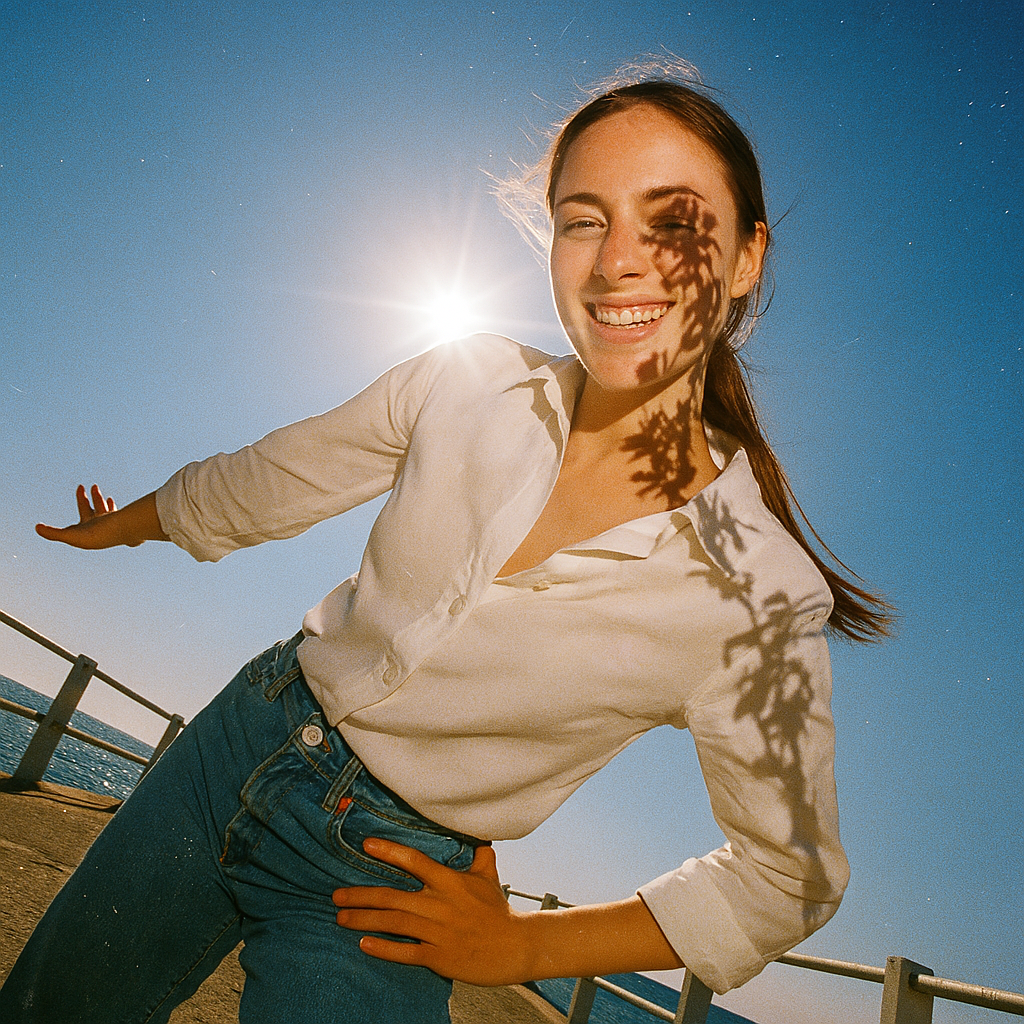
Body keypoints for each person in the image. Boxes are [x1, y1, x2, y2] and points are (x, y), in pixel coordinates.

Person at [1, 67, 889, 1024]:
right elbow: (278, 476)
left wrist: (520, 946)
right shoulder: (466, 379)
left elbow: (787, 877)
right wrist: (131, 522)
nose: (615, 260)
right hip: (238, 743)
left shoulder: (757, 594)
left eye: (670, 223)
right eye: (582, 219)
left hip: (388, 890)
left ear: (749, 256)